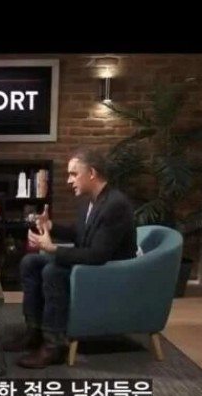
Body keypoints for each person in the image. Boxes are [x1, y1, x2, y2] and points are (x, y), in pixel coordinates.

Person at [10, 147, 137, 368]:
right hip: (90, 263)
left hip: (108, 271)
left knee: (53, 271)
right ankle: (34, 331)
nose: (69, 180)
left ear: (92, 173)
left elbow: (98, 255)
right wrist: (51, 226)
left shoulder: (115, 205)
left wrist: (53, 249)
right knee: (30, 262)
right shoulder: (90, 200)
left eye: (73, 174)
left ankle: (54, 346)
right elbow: (79, 234)